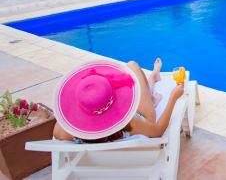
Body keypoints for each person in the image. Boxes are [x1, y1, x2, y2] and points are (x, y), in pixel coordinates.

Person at [53, 58, 184, 143]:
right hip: (142, 117)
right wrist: (173, 98)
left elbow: (58, 130)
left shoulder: (68, 131)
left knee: (131, 71)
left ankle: (152, 80)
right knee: (132, 65)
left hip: (102, 120)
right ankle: (153, 82)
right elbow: (157, 131)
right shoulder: (129, 123)